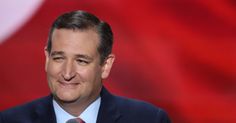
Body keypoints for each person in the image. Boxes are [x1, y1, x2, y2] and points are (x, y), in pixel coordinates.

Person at [0, 10, 171, 123]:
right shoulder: (8, 121)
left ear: (105, 66)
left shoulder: (148, 120)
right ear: (47, 59)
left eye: (81, 61)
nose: (67, 73)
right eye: (59, 58)